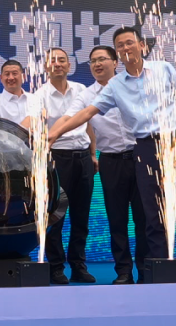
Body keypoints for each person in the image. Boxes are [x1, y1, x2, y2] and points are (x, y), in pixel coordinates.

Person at [48, 27, 176, 283]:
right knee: (152, 216)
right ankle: (159, 271)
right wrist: (55, 134)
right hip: (144, 148)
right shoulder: (115, 86)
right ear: (118, 53)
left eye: (129, 42)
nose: (125, 48)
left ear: (142, 46)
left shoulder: (164, 69)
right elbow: (86, 113)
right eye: (120, 45)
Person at [54, 46, 145, 284]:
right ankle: (123, 272)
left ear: (115, 62)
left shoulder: (133, 85)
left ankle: (147, 270)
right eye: (93, 61)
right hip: (111, 161)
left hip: (140, 157)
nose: (97, 64)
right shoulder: (87, 95)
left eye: (102, 59)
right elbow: (70, 117)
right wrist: (51, 135)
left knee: (144, 218)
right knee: (117, 220)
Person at [23, 48, 95, 285]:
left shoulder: (81, 90)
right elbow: (33, 123)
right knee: (55, 216)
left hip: (83, 157)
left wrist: (93, 154)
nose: (58, 64)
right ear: (45, 67)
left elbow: (88, 123)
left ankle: (78, 265)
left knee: (81, 216)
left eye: (62, 60)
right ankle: (55, 267)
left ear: (69, 65)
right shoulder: (39, 95)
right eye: (52, 61)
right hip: (56, 158)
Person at [0, 59, 29, 123]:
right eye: (7, 74)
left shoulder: (34, 99)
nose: (11, 78)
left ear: (23, 76)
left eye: (14, 74)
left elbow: (33, 121)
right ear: (1, 78)